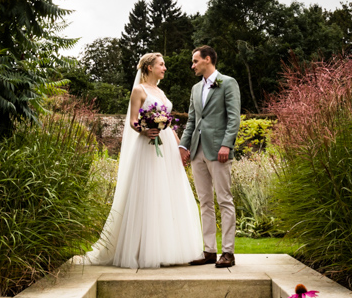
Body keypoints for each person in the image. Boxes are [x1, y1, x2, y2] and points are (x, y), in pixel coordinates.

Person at [72, 53, 204, 268]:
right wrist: (144, 130)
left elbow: (168, 124)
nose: (165, 68)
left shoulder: (160, 91)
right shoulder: (139, 90)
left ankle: (168, 247)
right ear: (150, 67)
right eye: (162, 64)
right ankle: (143, 249)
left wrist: (180, 145)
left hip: (167, 145)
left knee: (168, 193)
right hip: (147, 145)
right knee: (149, 193)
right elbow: (133, 120)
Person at [179, 45, 241, 268]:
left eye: (195, 61)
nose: (192, 65)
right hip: (197, 151)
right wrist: (183, 147)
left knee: (224, 199)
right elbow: (192, 121)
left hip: (219, 151)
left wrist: (226, 144)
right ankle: (209, 251)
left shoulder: (228, 83)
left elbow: (234, 118)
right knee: (205, 202)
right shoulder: (196, 89)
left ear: (207, 60)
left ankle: (228, 252)